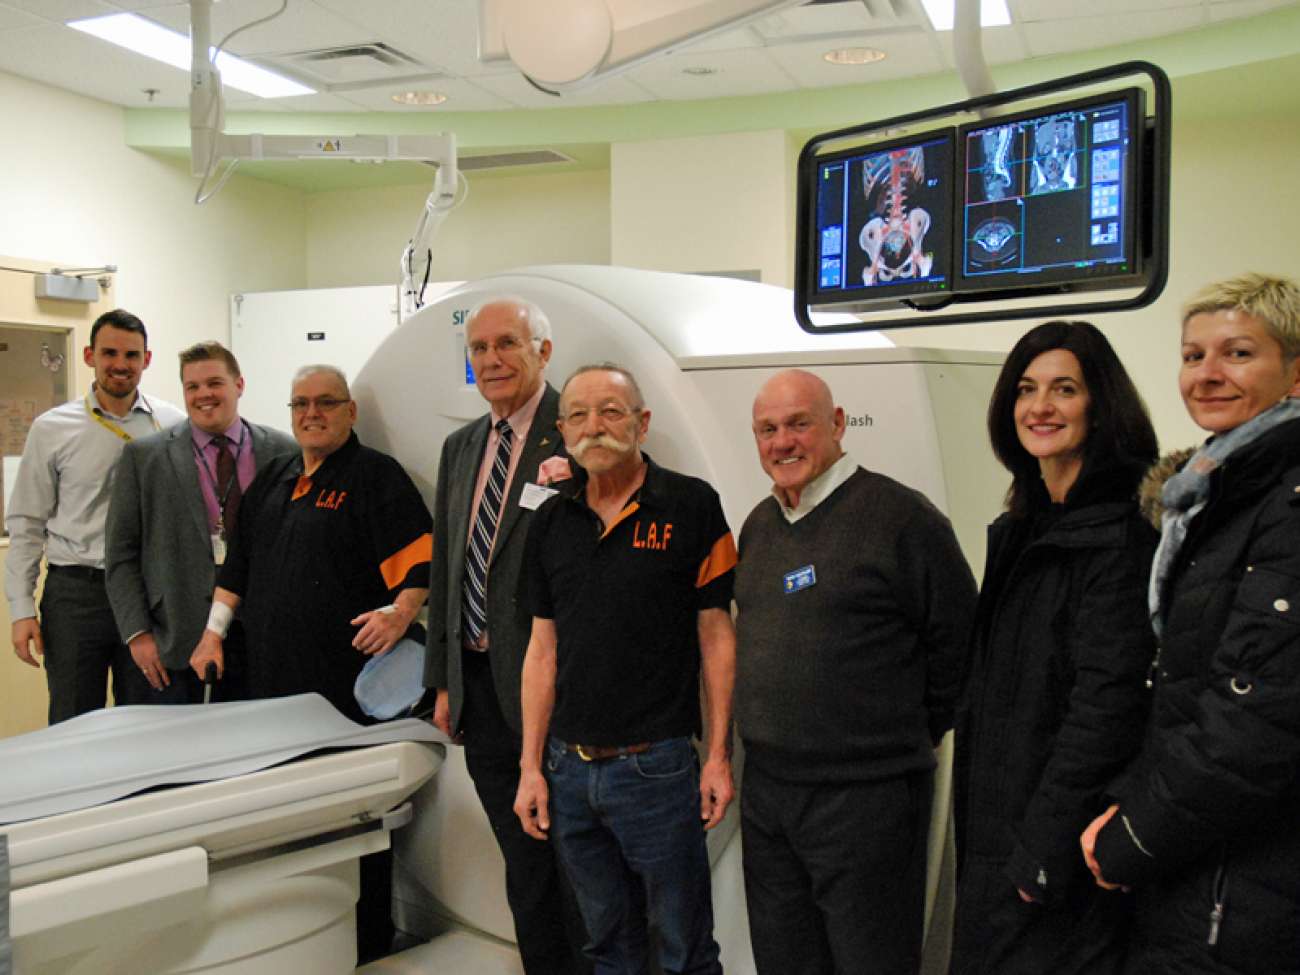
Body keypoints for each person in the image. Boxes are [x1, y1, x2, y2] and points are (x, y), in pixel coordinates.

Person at [1081, 274, 1300, 974]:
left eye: (1237, 353)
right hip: (1201, 864)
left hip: (1245, 887)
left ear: (1296, 371)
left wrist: (1137, 834)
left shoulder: (1284, 502)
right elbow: (1182, 685)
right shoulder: (1209, 494)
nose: (1207, 374)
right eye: (1191, 354)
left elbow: (1255, 717)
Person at [733, 368, 977, 975]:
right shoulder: (760, 526)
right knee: (785, 958)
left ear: (837, 424)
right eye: (767, 430)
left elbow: (962, 645)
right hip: (769, 793)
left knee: (872, 959)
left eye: (799, 424)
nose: (782, 442)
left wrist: (905, 736)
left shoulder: (902, 519)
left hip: (865, 797)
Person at [949, 323, 1159, 974]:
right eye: (1026, 389)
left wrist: (1042, 850)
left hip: (1056, 850)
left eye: (1063, 389)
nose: (1040, 406)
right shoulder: (1025, 528)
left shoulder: (1120, 538)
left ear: (1100, 407)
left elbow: (1103, 711)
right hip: (998, 832)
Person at [513, 363, 736, 975]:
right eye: (579, 415)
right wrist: (531, 768)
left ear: (642, 422)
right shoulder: (550, 523)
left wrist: (717, 755)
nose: (595, 427)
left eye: (611, 411)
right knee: (606, 948)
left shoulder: (691, 505)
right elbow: (541, 651)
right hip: (569, 771)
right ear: (562, 431)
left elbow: (716, 634)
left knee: (684, 948)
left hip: (657, 768)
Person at [423, 297, 588, 975]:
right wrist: (443, 679)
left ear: (543, 352)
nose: (490, 360)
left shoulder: (576, 433)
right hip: (481, 689)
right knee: (521, 859)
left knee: (577, 857)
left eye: (506, 344)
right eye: (479, 347)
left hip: (551, 687)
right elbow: (445, 567)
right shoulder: (461, 446)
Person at [189, 364, 431, 723]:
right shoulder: (274, 477)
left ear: (350, 412)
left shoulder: (375, 476)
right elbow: (236, 570)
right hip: (269, 679)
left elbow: (420, 562)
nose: (311, 413)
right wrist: (212, 635)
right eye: (300, 404)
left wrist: (400, 614)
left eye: (326, 402)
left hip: (345, 684)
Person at [6, 308, 184, 724]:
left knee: (147, 717)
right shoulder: (52, 428)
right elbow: (27, 524)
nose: (120, 365)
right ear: (89, 356)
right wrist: (21, 609)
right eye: (109, 353)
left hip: (145, 595)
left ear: (147, 359)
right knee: (72, 720)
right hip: (76, 595)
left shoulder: (173, 424)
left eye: (132, 355)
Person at [105, 341, 296, 704]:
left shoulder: (284, 451)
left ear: (238, 385)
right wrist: (137, 635)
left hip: (262, 637)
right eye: (192, 387)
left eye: (214, 383)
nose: (203, 395)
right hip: (176, 638)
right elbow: (120, 555)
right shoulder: (145, 458)